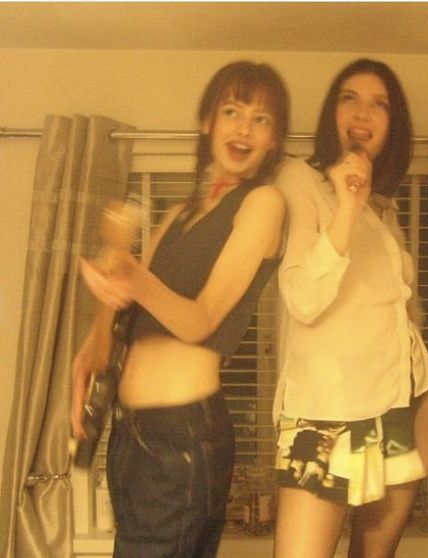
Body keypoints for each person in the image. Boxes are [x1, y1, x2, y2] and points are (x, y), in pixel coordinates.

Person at [70, 60, 290, 557]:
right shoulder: (176, 215)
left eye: (261, 119)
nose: (243, 128)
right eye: (232, 111)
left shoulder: (263, 204)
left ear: (274, 140)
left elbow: (201, 319)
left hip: (182, 440)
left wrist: (130, 274)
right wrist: (90, 347)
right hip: (131, 437)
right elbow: (128, 310)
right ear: (206, 122)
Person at [271, 58, 428, 558]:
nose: (363, 112)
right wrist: (345, 205)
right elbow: (303, 299)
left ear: (393, 126)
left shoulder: (385, 211)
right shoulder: (298, 180)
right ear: (331, 114)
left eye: (380, 104)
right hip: (323, 414)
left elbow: (400, 319)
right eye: (350, 98)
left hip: (398, 407)